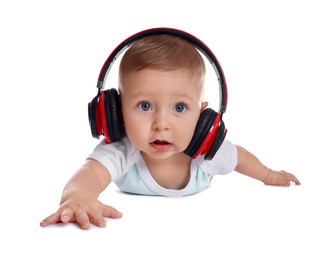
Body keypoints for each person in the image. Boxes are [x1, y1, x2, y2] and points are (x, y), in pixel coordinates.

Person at [40, 31, 300, 230]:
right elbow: (87, 176)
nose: (161, 123)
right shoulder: (123, 150)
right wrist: (79, 198)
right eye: (144, 105)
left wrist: (269, 175)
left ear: (203, 116)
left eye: (179, 107)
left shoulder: (206, 152)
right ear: (116, 112)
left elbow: (240, 158)